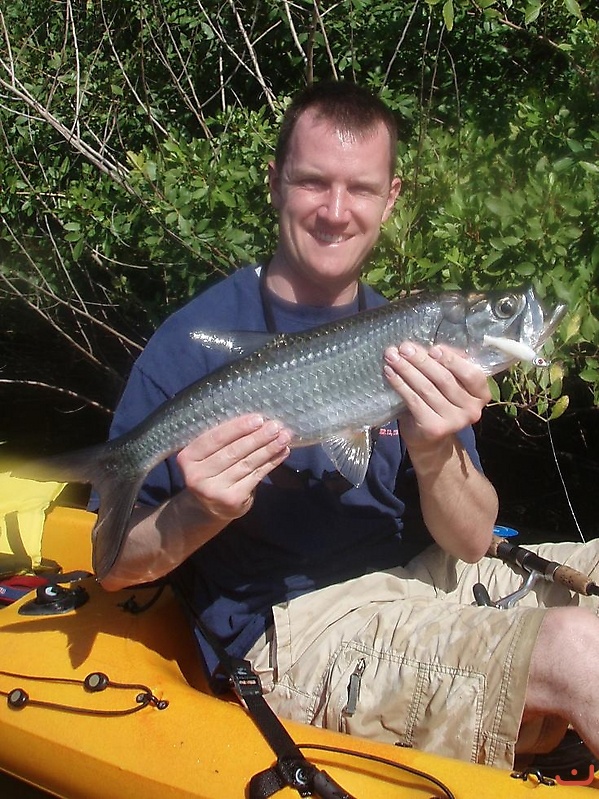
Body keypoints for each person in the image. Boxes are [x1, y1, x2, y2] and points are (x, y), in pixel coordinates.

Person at [99, 81, 599, 770]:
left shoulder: (407, 333)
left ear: (391, 198)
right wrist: (200, 508)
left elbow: (472, 537)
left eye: (359, 189)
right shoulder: (190, 344)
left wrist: (431, 448)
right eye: (312, 183)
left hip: (417, 585)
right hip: (293, 632)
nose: (336, 212)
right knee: (581, 651)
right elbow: (116, 569)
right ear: (274, 183)